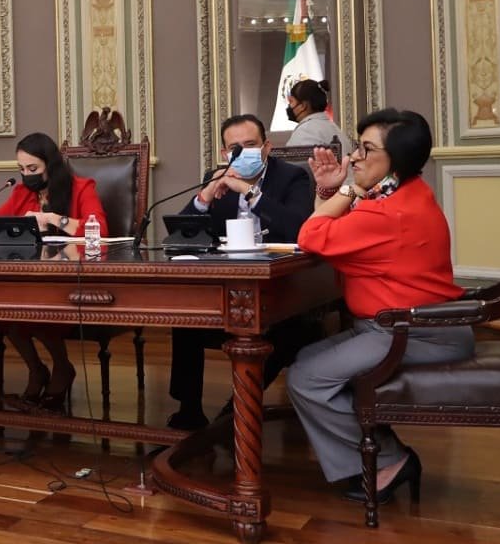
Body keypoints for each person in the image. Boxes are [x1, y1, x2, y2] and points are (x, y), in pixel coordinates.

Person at [287, 109, 472, 502]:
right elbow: (332, 230)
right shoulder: (407, 195)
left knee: (306, 376)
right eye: (358, 147)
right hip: (409, 325)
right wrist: (336, 191)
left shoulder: (390, 212)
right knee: (306, 356)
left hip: (413, 331)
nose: (354, 157)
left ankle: (390, 460)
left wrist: (347, 190)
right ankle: (376, 453)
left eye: (366, 150)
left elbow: (311, 235)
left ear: (397, 161)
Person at [167, 113, 316, 430]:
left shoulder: (293, 178)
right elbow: (179, 236)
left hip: (281, 288)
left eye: (250, 145)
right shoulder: (217, 177)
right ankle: (188, 409)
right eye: (235, 147)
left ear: (266, 148)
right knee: (186, 316)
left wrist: (250, 192)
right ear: (224, 154)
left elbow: (299, 229)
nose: (243, 153)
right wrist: (205, 196)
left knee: (290, 333)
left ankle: (235, 409)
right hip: (230, 285)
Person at [0, 132, 108, 410]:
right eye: (22, 170)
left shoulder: (81, 188)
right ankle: (35, 368)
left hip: (70, 279)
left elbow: (100, 231)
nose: (26, 176)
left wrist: (52, 218)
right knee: (5, 308)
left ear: (51, 165)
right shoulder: (22, 192)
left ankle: (61, 367)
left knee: (37, 308)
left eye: (33, 169)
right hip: (27, 275)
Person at [284, 79, 354, 160]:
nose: (289, 105)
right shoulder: (333, 128)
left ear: (303, 106)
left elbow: (300, 168)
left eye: (291, 101)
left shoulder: (306, 130)